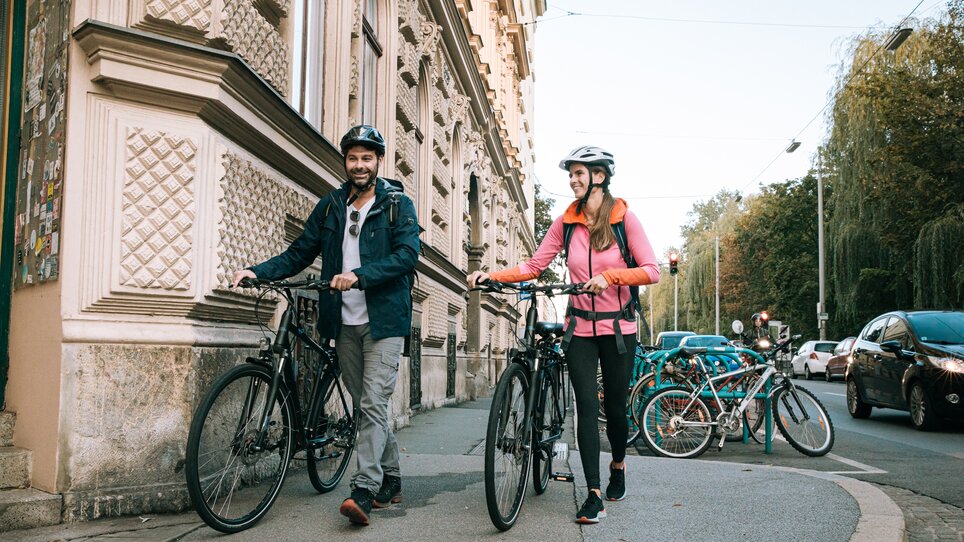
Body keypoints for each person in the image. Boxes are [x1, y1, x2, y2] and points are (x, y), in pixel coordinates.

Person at [232, 125, 420, 526]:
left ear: (378, 162)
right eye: (353, 158)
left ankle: (364, 490)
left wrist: (360, 274)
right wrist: (257, 271)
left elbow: (407, 256)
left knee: (371, 404)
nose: (359, 165)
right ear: (346, 162)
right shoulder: (332, 205)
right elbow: (300, 251)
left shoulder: (397, 205)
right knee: (369, 405)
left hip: (384, 321)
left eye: (367, 158)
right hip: (343, 322)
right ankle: (392, 479)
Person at [467, 145, 659, 524]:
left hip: (620, 328)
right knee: (586, 406)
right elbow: (535, 265)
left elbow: (652, 270)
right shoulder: (566, 222)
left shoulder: (624, 219)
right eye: (570, 174)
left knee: (616, 410)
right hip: (581, 328)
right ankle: (593, 494)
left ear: (599, 177)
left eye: (579, 173)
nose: (572, 180)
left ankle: (618, 464)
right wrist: (493, 275)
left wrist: (610, 276)